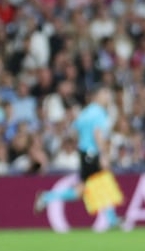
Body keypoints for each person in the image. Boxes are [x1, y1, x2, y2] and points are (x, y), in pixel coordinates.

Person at [34, 85, 122, 230]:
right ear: (98, 95)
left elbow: (74, 131)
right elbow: (98, 134)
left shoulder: (85, 112)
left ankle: (47, 197)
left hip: (84, 153)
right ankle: (112, 219)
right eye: (105, 94)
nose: (108, 98)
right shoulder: (99, 113)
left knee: (81, 191)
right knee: (103, 183)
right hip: (92, 153)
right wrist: (104, 155)